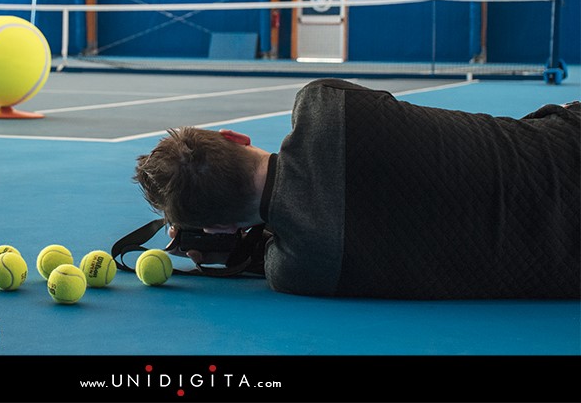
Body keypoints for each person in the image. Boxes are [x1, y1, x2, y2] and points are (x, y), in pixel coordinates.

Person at [133, 78, 580, 299]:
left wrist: (227, 249)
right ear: (235, 137)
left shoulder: (298, 271)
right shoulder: (326, 105)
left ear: (220, 227)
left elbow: (321, 217)